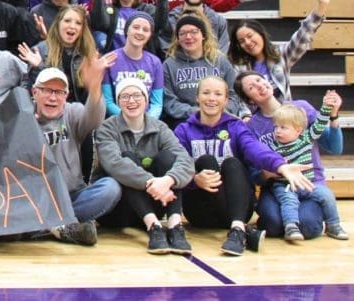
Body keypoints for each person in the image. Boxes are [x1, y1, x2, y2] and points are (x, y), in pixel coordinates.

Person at [174, 76, 314, 256]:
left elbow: (255, 149)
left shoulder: (236, 126)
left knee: (232, 163)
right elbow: (176, 165)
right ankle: (246, 232)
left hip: (237, 208)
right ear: (197, 97)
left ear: (225, 100)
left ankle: (238, 231)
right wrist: (194, 180)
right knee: (206, 161)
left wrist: (281, 166)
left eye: (218, 94)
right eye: (206, 93)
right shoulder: (183, 130)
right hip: (200, 211)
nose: (211, 98)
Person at [235, 71, 344, 239]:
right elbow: (255, 174)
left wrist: (333, 115)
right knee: (273, 224)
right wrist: (270, 172)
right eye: (251, 87)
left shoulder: (302, 108)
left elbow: (334, 148)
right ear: (250, 100)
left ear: (268, 81)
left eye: (259, 80)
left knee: (309, 227)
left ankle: (330, 223)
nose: (259, 86)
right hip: (277, 186)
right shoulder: (251, 127)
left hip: (310, 181)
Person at [93, 78, 195, 255]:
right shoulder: (107, 128)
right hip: (119, 210)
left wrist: (168, 180)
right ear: (118, 102)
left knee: (167, 159)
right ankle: (154, 227)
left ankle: (174, 225)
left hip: (155, 202)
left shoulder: (160, 128)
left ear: (146, 99)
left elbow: (185, 160)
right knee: (127, 159)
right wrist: (154, 183)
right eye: (125, 96)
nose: (131, 101)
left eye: (136, 95)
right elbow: (114, 164)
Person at [29, 60, 118, 246]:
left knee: (110, 188)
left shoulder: (73, 112)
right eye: (47, 90)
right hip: (35, 200)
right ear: (34, 92)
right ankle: (61, 227)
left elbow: (94, 119)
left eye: (59, 92)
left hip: (72, 195)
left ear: (66, 96)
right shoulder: (22, 117)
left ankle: (48, 227)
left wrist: (94, 89)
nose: (53, 97)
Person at [229, 0, 331, 104]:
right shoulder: (239, 67)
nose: (248, 42)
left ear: (260, 34)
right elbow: (238, 99)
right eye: (242, 41)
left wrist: (321, 6)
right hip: (257, 119)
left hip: (285, 116)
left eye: (250, 36)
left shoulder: (281, 54)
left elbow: (303, 35)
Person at [266, 104, 347, 241]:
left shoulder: (306, 139)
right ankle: (291, 227)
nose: (278, 131)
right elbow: (263, 158)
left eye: (283, 127)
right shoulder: (271, 144)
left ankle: (333, 224)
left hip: (306, 182)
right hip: (283, 184)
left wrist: (327, 107)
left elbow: (320, 124)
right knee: (289, 200)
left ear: (298, 130)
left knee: (326, 195)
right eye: (276, 127)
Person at [162, 14, 243, 127]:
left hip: (221, 121)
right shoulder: (169, 64)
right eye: (182, 33)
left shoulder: (220, 61)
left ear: (203, 35)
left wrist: (219, 112)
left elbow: (234, 94)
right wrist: (198, 113)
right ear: (178, 38)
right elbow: (169, 101)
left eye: (194, 32)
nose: (188, 37)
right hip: (186, 124)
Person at [102, 12, 164, 119]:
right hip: (117, 121)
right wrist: (129, 118)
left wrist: (144, 121)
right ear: (127, 30)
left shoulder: (155, 63)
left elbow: (157, 104)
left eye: (145, 30)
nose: (140, 32)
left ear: (150, 35)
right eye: (136, 27)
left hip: (147, 122)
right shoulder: (109, 59)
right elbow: (107, 101)